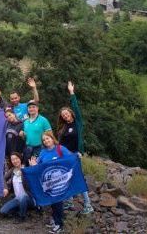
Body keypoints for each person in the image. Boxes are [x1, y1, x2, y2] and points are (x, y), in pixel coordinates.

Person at [57, 81, 93, 214]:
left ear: (71, 114)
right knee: (66, 178)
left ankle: (88, 205)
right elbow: (60, 143)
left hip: (75, 154)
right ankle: (69, 201)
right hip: (65, 156)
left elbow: (76, 107)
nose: (65, 116)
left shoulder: (78, 123)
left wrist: (71, 92)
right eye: (63, 115)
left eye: (67, 114)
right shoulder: (63, 127)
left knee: (78, 178)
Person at [29, 133, 73, 234]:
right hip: (48, 182)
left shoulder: (60, 149)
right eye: (44, 140)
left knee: (58, 202)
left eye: (47, 138)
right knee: (53, 202)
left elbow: (70, 159)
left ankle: (59, 225)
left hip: (60, 181)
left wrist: (77, 156)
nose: (46, 141)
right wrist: (34, 165)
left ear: (52, 138)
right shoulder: (43, 152)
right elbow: (38, 165)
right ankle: (56, 221)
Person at [0, 152, 35, 222]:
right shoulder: (12, 170)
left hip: (29, 198)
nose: (15, 161)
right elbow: (3, 178)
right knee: (3, 211)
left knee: (23, 198)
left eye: (16, 158)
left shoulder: (27, 168)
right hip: (17, 199)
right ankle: (21, 209)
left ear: (20, 158)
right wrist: (5, 188)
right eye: (13, 160)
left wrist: (33, 167)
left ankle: (22, 217)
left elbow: (34, 177)